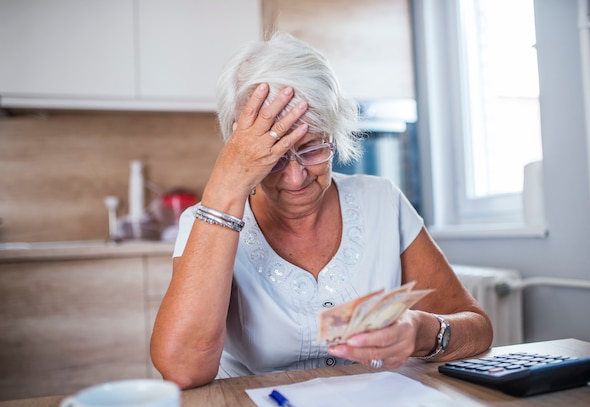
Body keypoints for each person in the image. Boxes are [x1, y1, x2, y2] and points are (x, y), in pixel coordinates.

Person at [150, 32, 493, 389]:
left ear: (335, 133)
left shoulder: (382, 201)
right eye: (274, 156)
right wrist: (226, 184)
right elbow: (182, 370)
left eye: (313, 148)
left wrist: (421, 330)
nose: (296, 177)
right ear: (242, 150)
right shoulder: (206, 221)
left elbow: (478, 329)